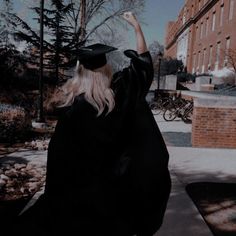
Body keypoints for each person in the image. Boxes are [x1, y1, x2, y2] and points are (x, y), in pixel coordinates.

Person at [12, 12, 171, 236]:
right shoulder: (120, 97)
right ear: (107, 70)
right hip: (113, 202)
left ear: (78, 74)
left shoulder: (70, 112)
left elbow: (59, 163)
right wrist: (136, 27)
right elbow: (143, 70)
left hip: (77, 205)